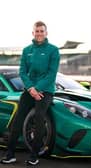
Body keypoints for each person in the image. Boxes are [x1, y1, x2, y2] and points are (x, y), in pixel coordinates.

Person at [0, 21, 60, 165]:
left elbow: (51, 74)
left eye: (41, 31)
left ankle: (34, 156)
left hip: (45, 90)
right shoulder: (27, 50)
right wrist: (31, 89)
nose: (39, 33)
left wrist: (37, 88)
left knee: (39, 119)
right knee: (17, 120)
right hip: (29, 90)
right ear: (33, 33)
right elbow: (22, 72)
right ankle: (10, 154)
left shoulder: (53, 50)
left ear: (46, 33)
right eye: (36, 31)